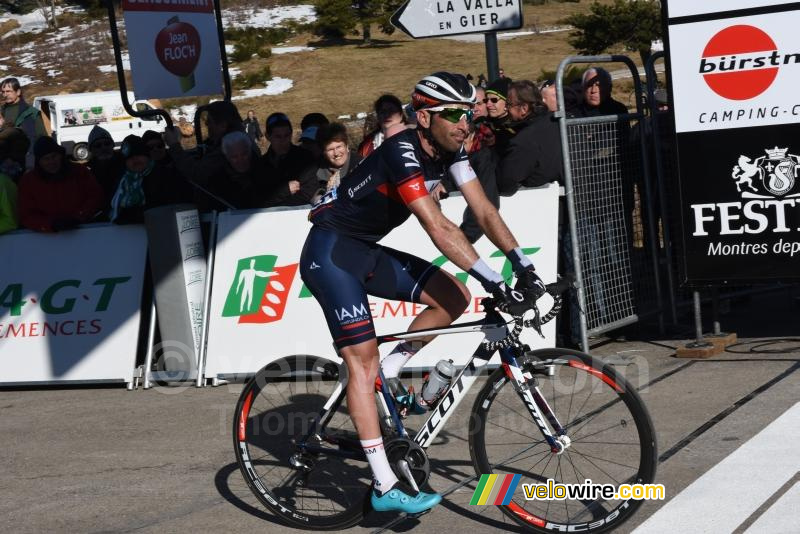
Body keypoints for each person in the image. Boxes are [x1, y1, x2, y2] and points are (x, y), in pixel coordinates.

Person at [300, 72, 546, 514]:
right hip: (331, 253)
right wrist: (494, 278)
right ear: (426, 115)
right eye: (454, 114)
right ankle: (383, 484)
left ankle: (388, 374)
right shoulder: (402, 149)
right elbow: (437, 226)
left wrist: (524, 266)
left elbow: (485, 210)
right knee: (361, 359)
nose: (464, 123)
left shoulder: (452, 150)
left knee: (453, 297)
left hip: (365, 251)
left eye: (469, 114)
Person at [18, 137, 103, 232]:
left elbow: (95, 196)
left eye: (54, 156)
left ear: (61, 155)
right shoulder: (28, 181)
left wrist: (79, 216)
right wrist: (49, 224)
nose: (51, 162)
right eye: (46, 159)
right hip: (45, 236)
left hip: (82, 229)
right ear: (39, 162)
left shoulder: (80, 172)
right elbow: (26, 214)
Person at [495, 80, 563, 196]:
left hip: (550, 206)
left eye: (509, 105)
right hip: (580, 200)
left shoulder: (524, 139)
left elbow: (505, 184)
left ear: (524, 108)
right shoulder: (559, 121)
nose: (506, 109)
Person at [109, 135, 192, 224]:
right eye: (129, 157)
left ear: (148, 156)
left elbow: (170, 207)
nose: (135, 159)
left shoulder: (167, 176)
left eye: (139, 154)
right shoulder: (121, 183)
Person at [258, 112, 318, 207]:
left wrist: (274, 201)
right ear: (268, 136)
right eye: (278, 136)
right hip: (268, 218)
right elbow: (258, 199)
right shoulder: (260, 165)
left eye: (287, 135)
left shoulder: (305, 158)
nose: (283, 141)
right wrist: (285, 191)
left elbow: (308, 193)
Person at [312, 122, 361, 196]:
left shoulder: (361, 165)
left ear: (346, 146)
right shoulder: (316, 169)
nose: (336, 153)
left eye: (339, 147)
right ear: (323, 152)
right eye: (330, 149)